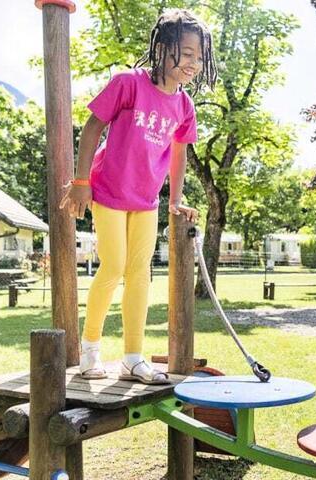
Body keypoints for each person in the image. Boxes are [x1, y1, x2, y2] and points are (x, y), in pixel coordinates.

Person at [59, 9, 216, 384]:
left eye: (199, 56)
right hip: (110, 190)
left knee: (140, 273)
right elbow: (94, 126)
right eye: (186, 53)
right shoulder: (129, 83)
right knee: (113, 267)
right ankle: (90, 350)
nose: (193, 63)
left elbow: (179, 153)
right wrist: (81, 180)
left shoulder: (184, 106)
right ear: (162, 49)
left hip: (146, 200)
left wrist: (175, 200)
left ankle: (132, 357)